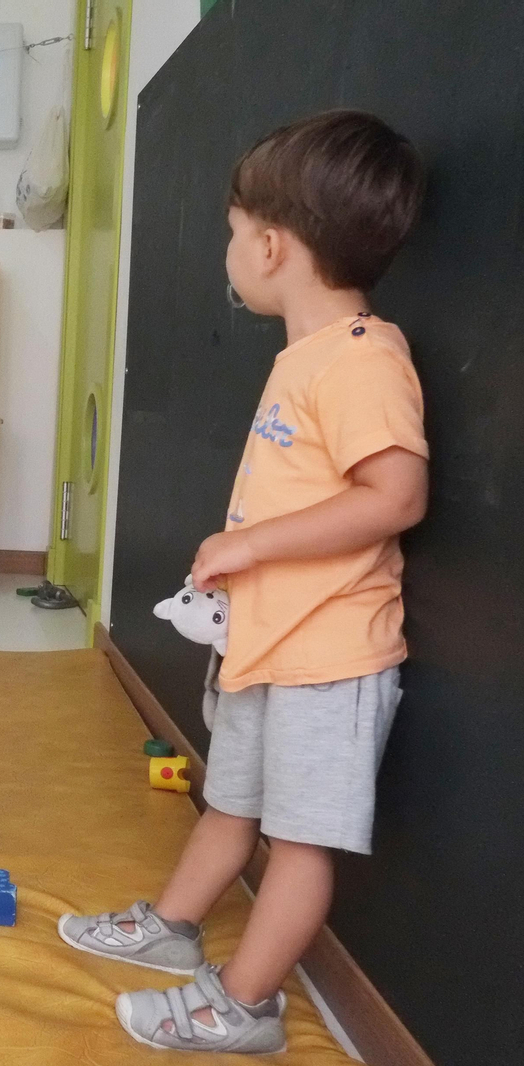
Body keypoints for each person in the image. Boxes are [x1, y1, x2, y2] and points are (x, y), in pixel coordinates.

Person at [57, 110, 427, 1054]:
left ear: (270, 245)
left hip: (330, 655)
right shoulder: (306, 354)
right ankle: (175, 931)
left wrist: (253, 549)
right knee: (231, 801)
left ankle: (247, 1002)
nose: (227, 251)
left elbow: (396, 495)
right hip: (268, 643)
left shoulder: (362, 356)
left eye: (228, 234)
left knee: (299, 844)